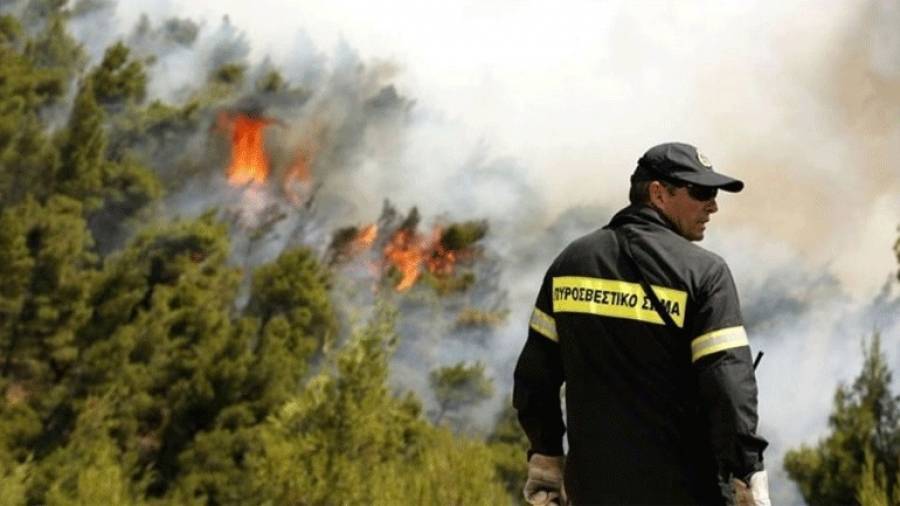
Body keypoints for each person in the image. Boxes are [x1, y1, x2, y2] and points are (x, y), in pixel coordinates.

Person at [513, 142, 770, 505]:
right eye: (701, 192)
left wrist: (545, 456)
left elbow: (534, 380)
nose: (713, 205)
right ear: (658, 193)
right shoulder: (706, 274)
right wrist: (747, 471)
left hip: (591, 492)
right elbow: (728, 386)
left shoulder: (570, 262)